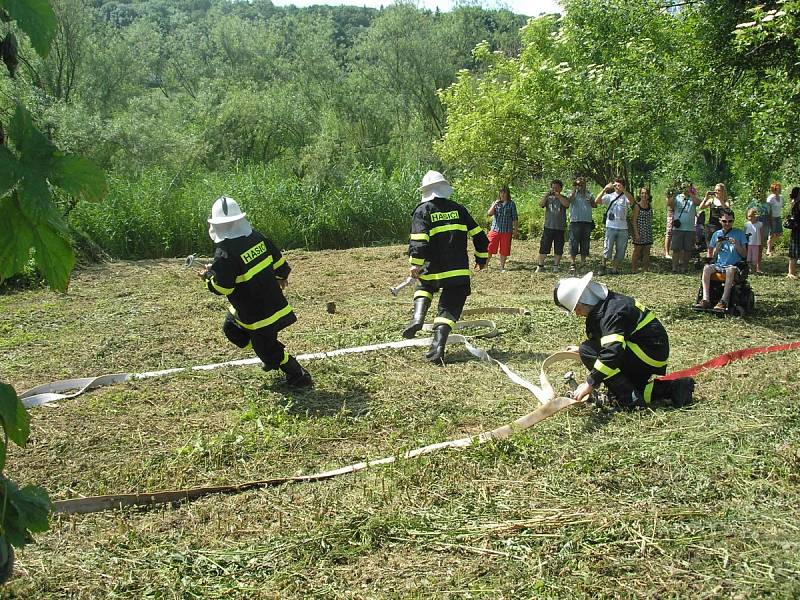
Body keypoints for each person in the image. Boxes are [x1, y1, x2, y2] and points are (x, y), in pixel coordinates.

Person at [200, 196, 312, 387]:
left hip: (258, 315)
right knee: (231, 328)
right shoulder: (257, 237)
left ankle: (298, 374)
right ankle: (265, 352)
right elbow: (278, 260)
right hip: (263, 304)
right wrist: (281, 275)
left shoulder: (224, 253)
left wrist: (208, 277)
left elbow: (223, 287)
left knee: (269, 350)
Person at [553, 272, 695, 409]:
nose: (578, 314)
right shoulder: (608, 304)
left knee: (588, 350)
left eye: (576, 310)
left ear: (579, 305)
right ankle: (676, 388)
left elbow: (612, 352)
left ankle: (629, 399)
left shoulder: (610, 313)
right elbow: (612, 338)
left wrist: (590, 383)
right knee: (634, 388)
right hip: (649, 351)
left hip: (647, 355)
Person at [404, 170, 490, 363]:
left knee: (424, 286)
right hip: (457, 270)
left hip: (432, 268)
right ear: (444, 188)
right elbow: (479, 236)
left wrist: (415, 264)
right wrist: (481, 259)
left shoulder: (422, 210)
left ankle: (417, 319)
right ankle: (437, 349)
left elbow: (419, 241)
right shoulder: (459, 209)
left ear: (425, 190)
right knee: (449, 307)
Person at [695, 209, 748, 311]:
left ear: (733, 221)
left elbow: (744, 255)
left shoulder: (739, 233)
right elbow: (712, 257)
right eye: (724, 221)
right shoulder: (716, 234)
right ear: (720, 221)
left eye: (730, 221)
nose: (727, 223)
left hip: (733, 265)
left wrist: (736, 244)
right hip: (719, 264)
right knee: (706, 268)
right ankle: (705, 299)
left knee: (730, 270)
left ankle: (724, 300)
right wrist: (718, 246)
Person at [594, 178, 632, 275]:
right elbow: (597, 201)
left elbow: (632, 201)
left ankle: (614, 268)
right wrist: (605, 189)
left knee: (621, 249)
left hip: (623, 227)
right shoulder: (610, 196)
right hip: (611, 226)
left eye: (619, 185)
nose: (617, 187)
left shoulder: (625, 197)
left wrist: (623, 190)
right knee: (608, 247)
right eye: (615, 185)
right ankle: (603, 265)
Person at [536, 180, 570, 273]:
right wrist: (546, 196)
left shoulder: (563, 198)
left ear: (561, 189)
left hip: (560, 227)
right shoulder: (548, 198)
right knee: (544, 246)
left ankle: (556, 266)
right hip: (548, 226)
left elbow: (567, 204)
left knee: (558, 248)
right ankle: (540, 265)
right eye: (553, 187)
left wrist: (558, 196)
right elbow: (541, 204)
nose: (554, 189)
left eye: (556, 188)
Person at [667, 182, 701, 273]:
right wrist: (672, 194)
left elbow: (699, 203)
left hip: (690, 229)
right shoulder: (678, 197)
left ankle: (684, 267)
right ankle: (674, 267)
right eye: (684, 188)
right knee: (676, 249)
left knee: (688, 249)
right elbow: (670, 204)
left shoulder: (693, 198)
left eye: (688, 187)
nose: (686, 189)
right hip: (678, 228)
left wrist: (691, 194)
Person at [486, 186, 518, 272]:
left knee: (504, 249)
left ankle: (502, 267)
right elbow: (489, 213)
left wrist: (516, 230)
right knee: (490, 247)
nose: (502, 194)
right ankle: (485, 265)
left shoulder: (511, 204)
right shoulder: (496, 203)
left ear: (507, 194)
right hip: (495, 229)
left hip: (507, 230)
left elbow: (515, 218)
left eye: (504, 192)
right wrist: (494, 205)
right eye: (501, 193)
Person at [567, 176, 595, 273]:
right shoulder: (572, 193)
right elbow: (568, 201)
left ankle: (583, 263)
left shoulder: (589, 194)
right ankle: (573, 263)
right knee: (573, 242)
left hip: (587, 222)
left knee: (585, 242)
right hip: (575, 221)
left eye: (582, 184)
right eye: (578, 184)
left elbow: (594, 205)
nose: (580, 186)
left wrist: (590, 200)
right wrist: (574, 190)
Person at [699, 183, 731, 258]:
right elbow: (701, 207)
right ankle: (709, 261)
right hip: (711, 226)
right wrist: (705, 198)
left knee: (719, 246)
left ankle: (718, 261)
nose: (717, 192)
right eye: (715, 190)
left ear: (723, 191)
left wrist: (721, 200)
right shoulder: (711, 200)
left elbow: (727, 210)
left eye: (719, 190)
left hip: (721, 226)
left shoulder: (726, 201)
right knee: (710, 247)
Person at [631, 187, 653, 272]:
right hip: (639, 230)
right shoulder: (637, 206)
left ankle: (646, 268)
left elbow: (651, 218)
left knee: (647, 250)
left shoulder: (649, 206)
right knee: (637, 250)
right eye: (642, 193)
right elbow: (634, 221)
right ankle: (634, 268)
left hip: (647, 230)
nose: (644, 195)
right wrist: (636, 233)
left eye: (646, 193)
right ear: (640, 195)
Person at [744, 207, 764, 274]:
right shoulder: (746, 224)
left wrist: (761, 243)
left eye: (752, 216)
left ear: (756, 216)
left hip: (756, 243)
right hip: (748, 243)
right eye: (749, 216)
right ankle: (749, 269)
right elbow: (744, 233)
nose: (750, 218)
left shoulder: (760, 224)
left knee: (755, 257)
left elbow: (761, 234)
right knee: (748, 257)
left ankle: (755, 270)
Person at [766, 182, 783, 256]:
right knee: (772, 234)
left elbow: (781, 206)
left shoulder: (781, 197)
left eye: (780, 188)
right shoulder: (770, 198)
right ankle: (768, 250)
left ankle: (770, 245)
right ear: (774, 189)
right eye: (778, 188)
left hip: (778, 217)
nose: (779, 189)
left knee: (779, 233)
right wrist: (769, 219)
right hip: (772, 218)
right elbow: (768, 209)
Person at [788, 186, 800, 279]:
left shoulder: (794, 203)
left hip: (796, 229)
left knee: (795, 251)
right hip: (797, 229)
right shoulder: (797, 204)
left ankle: (792, 272)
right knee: (794, 251)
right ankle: (791, 273)